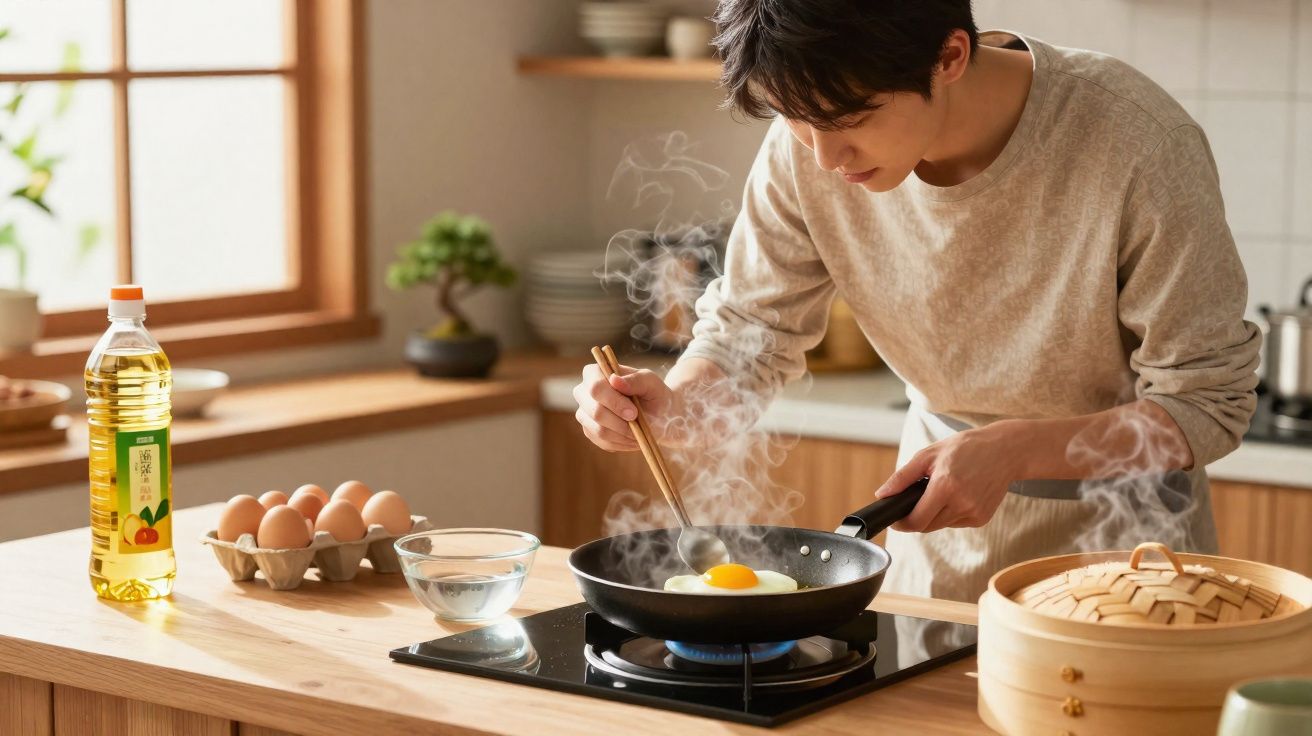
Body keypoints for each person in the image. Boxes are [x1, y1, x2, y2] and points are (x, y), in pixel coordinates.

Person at [571, 0, 1259, 647]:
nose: (821, 158)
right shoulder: (808, 147)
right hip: (934, 545)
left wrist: (1015, 451)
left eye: (847, 119)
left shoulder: (1134, 140)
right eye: (793, 120)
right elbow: (749, 330)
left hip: (1129, 562)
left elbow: (1206, 405)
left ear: (950, 56)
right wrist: (679, 404)